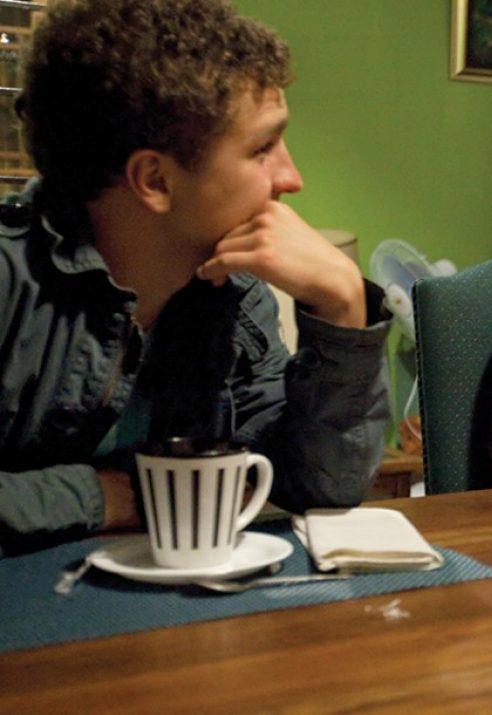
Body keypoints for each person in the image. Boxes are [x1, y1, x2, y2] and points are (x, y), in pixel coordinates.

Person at [0, 0, 392, 556]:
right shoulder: (11, 279)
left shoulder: (231, 290)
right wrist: (103, 496)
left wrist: (343, 309)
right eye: (262, 148)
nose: (292, 177)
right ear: (155, 180)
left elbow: (318, 485)